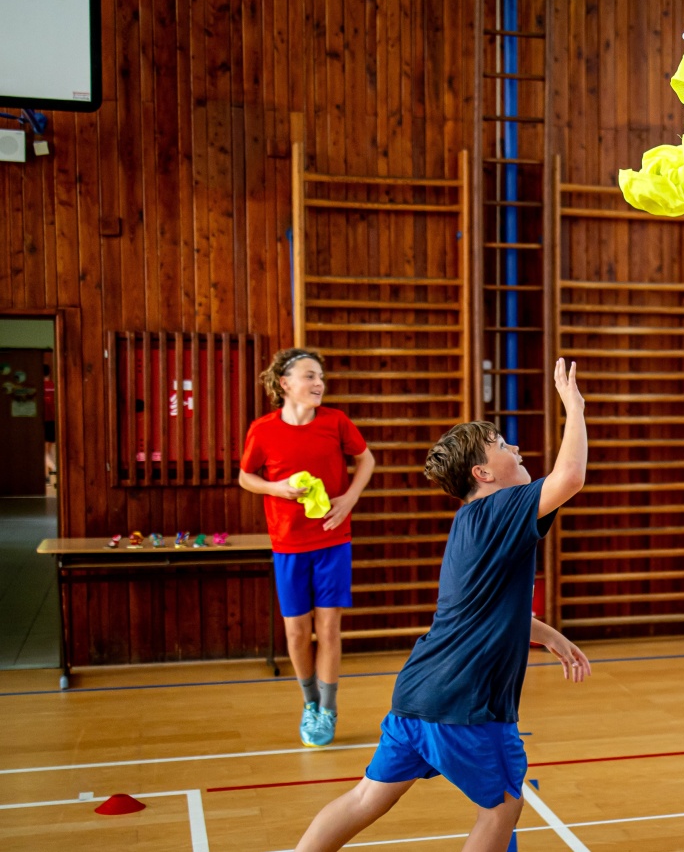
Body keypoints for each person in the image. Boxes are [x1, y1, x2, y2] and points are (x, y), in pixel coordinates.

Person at [293, 357, 591, 852]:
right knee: (502, 807)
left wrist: (549, 636)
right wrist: (573, 408)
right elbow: (571, 477)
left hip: (417, 693)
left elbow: (485, 612)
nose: (516, 448)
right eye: (503, 446)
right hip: (466, 704)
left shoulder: (471, 522)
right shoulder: (500, 508)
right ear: (483, 473)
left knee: (366, 797)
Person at [239, 348, 375, 747]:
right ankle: (310, 703)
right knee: (297, 633)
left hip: (333, 539)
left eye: (321, 377)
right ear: (285, 383)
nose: (319, 383)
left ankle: (328, 709)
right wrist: (275, 488)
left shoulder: (336, 422)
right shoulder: (262, 430)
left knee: (328, 629)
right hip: (288, 543)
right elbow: (246, 477)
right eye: (310, 376)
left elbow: (366, 460)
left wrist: (349, 498)